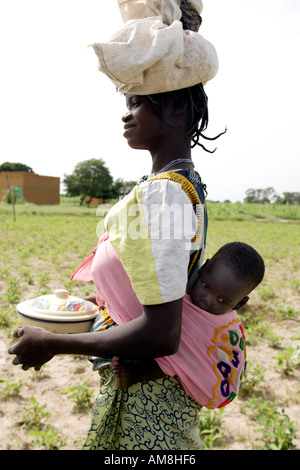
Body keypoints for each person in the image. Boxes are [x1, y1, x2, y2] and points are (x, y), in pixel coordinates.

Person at [8, 1, 226, 451]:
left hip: (151, 403)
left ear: (180, 113)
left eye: (139, 103)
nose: (127, 114)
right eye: (127, 102)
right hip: (143, 388)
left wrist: (51, 342)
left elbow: (161, 333)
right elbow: (159, 286)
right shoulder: (181, 182)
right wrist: (100, 302)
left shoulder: (165, 193)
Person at [108, 242, 265, 408]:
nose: (207, 299)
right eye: (205, 286)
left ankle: (134, 375)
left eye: (222, 301)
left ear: (239, 304)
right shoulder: (182, 285)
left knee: (180, 355)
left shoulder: (225, 324)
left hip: (210, 374)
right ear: (203, 269)